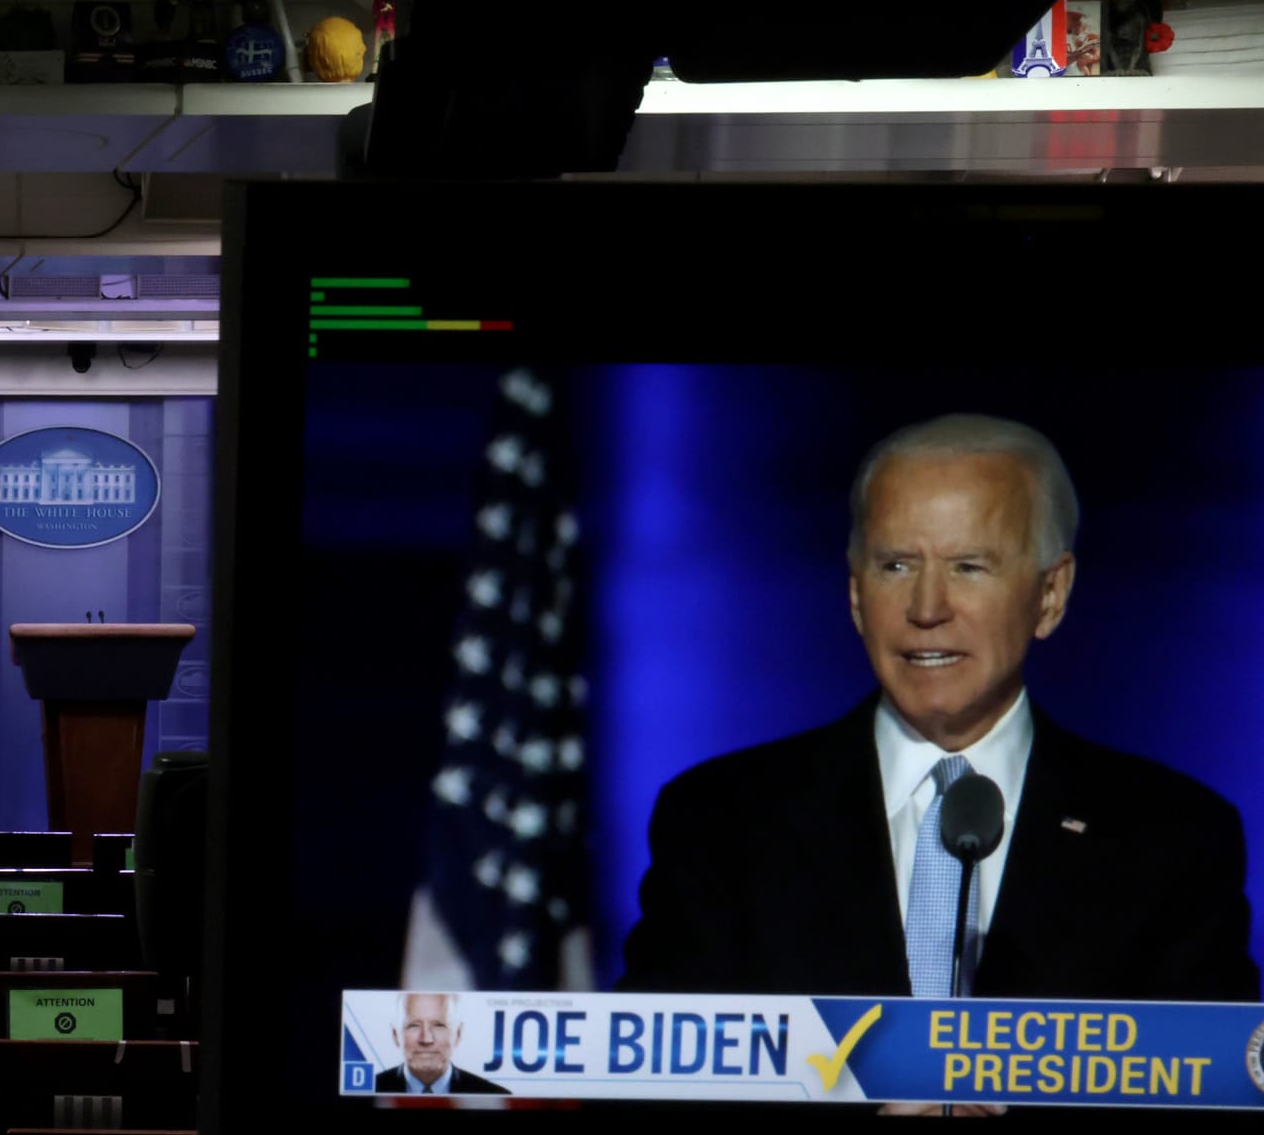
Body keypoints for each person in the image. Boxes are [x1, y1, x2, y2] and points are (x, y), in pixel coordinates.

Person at [621, 414, 1255, 1003]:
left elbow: (1215, 1070)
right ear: (855, 595)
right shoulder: (720, 825)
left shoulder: (1173, 841)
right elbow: (651, 1067)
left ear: (1050, 595)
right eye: (896, 565)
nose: (927, 608)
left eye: (968, 567)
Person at [373, 992, 510, 1095]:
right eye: (413, 1025)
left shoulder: (495, 1096)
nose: (426, 1039)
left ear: (458, 1034)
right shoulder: (371, 1089)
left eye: (439, 1025)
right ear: (395, 1035)